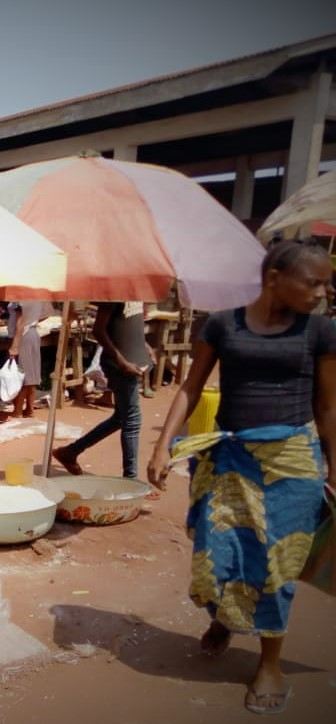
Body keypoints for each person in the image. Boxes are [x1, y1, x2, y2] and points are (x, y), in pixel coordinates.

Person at [146, 239, 336, 716]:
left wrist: (335, 466)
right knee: (216, 552)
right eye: (313, 281)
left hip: (293, 461)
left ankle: (270, 663)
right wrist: (162, 443)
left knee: (276, 565)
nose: (323, 292)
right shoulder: (222, 324)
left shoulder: (320, 332)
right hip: (230, 458)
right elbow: (191, 387)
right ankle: (226, 617)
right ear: (275, 279)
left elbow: (329, 407)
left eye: (327, 282)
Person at [52, 301, 153, 479]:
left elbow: (129, 326)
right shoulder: (115, 292)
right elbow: (99, 330)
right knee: (132, 420)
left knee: (121, 418)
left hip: (132, 360)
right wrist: (121, 361)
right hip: (119, 365)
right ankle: (131, 480)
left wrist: (145, 348)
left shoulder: (137, 291)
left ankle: (70, 452)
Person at [0, 300, 49, 422]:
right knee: (31, 374)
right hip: (33, 334)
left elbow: (20, 322)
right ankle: (29, 409)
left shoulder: (21, 297)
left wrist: (14, 346)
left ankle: (18, 411)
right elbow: (47, 313)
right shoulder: (36, 295)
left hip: (23, 336)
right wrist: (33, 320)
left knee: (20, 374)